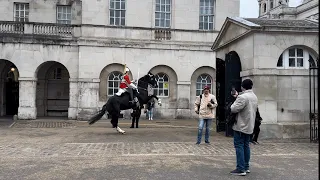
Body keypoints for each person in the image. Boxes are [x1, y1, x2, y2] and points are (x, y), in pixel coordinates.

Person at [229, 79, 258, 176]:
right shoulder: (254, 96)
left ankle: (240, 168)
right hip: (250, 125)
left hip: (241, 125)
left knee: (239, 146)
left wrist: (235, 98)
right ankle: (246, 166)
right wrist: (238, 96)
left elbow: (233, 109)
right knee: (246, 145)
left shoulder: (242, 97)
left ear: (242, 86)